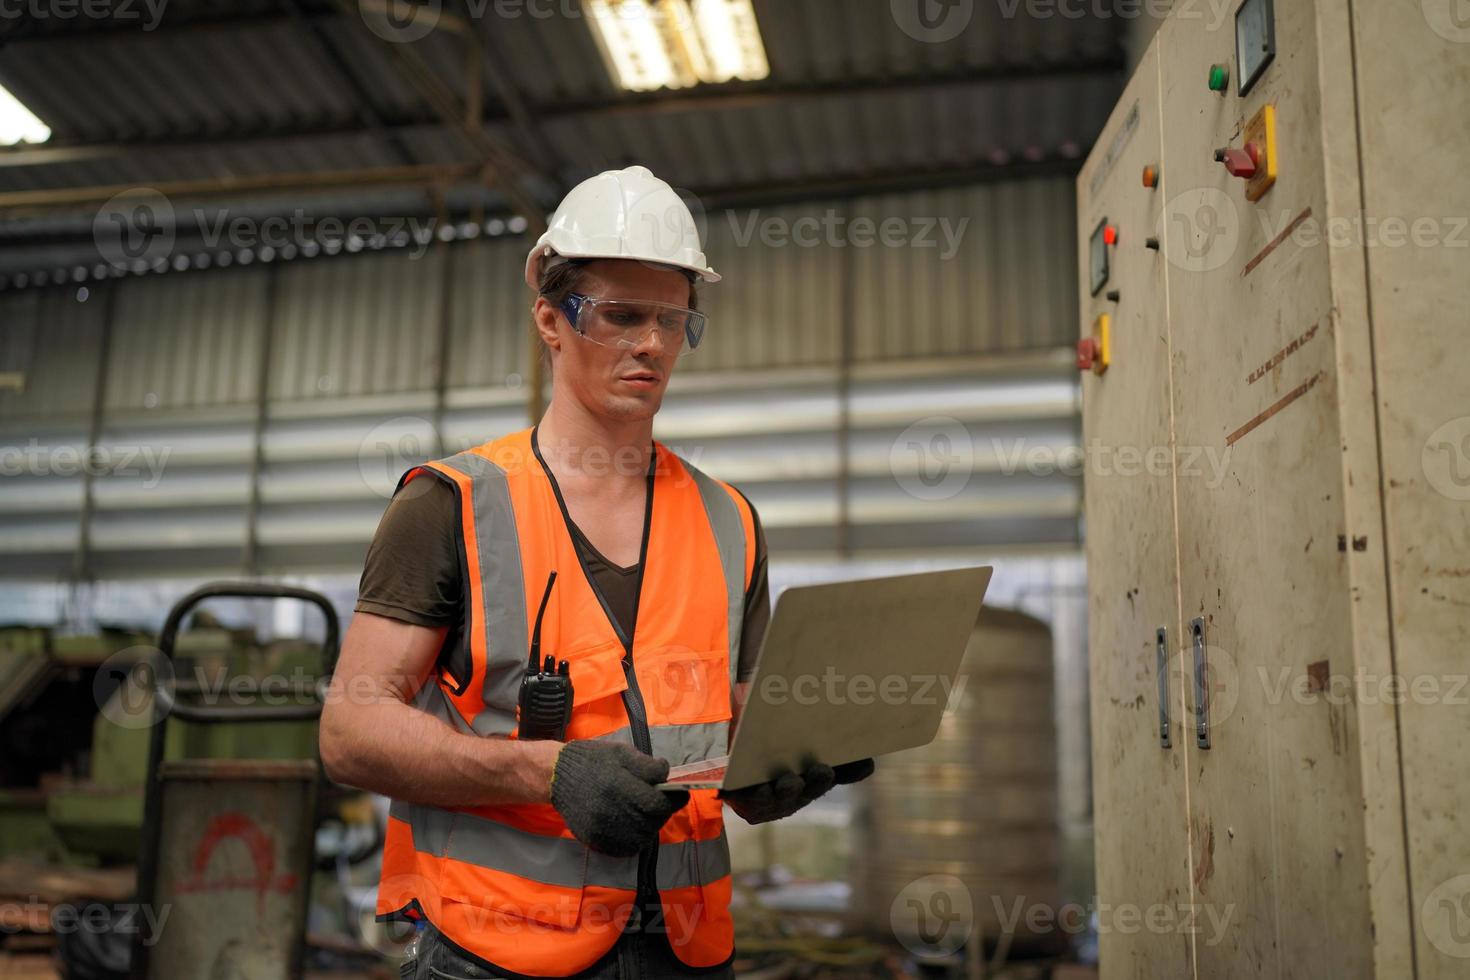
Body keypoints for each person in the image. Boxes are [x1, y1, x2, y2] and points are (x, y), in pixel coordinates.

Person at [320, 165, 874, 980]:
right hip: (495, 953)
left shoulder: (731, 521)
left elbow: (738, 728)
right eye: (620, 316)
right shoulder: (453, 505)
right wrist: (546, 771)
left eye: (672, 319)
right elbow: (350, 731)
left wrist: (779, 769)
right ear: (550, 319)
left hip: (686, 953)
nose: (650, 343)